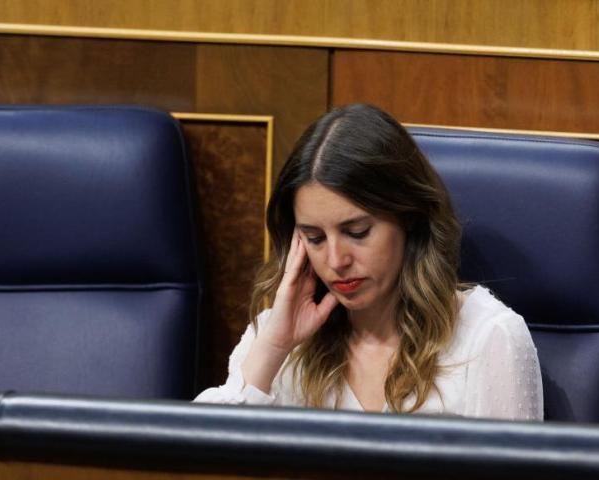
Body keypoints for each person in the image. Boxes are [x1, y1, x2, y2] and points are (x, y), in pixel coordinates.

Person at [194, 104, 543, 420]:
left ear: (409, 217)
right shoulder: (276, 336)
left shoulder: (488, 338)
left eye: (357, 232)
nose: (336, 261)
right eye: (314, 238)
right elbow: (200, 455)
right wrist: (272, 348)